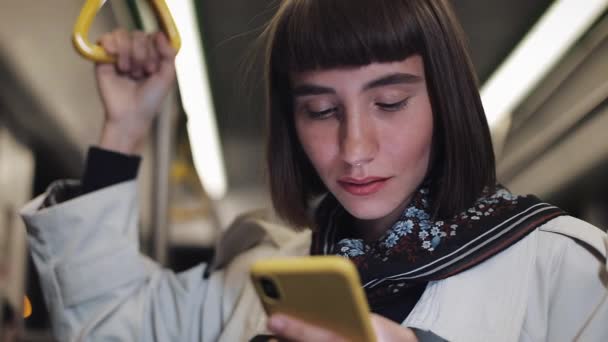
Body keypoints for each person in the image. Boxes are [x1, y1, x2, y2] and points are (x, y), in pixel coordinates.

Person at [20, 0, 607, 341]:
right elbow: (105, 325)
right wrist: (123, 130)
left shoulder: (565, 269)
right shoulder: (261, 273)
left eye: (390, 103)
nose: (354, 147)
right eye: (321, 110)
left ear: (446, 102)